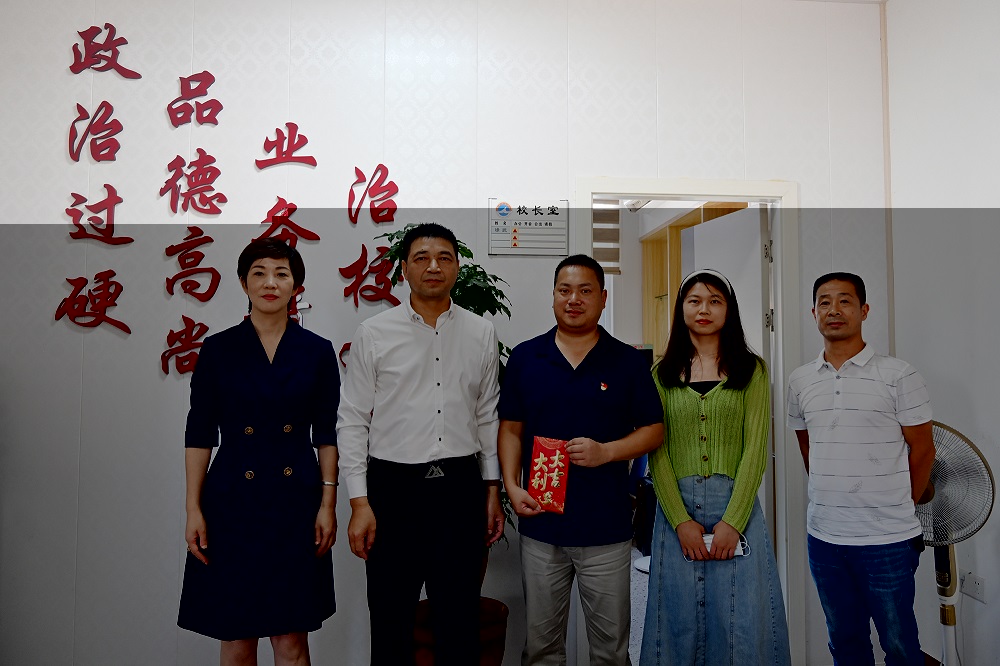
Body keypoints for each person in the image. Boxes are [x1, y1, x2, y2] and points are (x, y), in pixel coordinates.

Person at [337, 223, 505, 666]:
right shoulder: (374, 333)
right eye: (422, 258)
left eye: (444, 257)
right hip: (393, 491)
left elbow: (487, 415)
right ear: (404, 270)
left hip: (460, 489)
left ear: (457, 267)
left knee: (459, 622)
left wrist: (492, 488)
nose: (434, 266)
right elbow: (352, 420)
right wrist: (359, 502)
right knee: (390, 621)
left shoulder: (480, 332)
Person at [177, 238, 339, 665]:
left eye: (282, 274)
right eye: (259, 273)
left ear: (296, 285)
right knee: (236, 639)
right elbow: (199, 434)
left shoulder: (317, 351)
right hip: (232, 501)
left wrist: (328, 504)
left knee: (291, 640)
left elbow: (327, 435)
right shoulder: (218, 349)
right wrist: (193, 508)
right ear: (243, 283)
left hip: (296, 501)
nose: (271, 283)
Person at [498, 254, 663, 665]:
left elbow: (654, 430)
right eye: (565, 290)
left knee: (610, 651)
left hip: (606, 527)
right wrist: (512, 486)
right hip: (541, 525)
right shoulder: (526, 357)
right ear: (553, 296)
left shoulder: (627, 361)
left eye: (585, 291)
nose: (574, 299)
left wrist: (606, 451)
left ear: (603, 298)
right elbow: (511, 429)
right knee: (541, 648)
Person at [639, 269, 791, 666]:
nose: (703, 309)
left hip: (736, 508)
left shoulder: (752, 370)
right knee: (676, 618)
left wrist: (733, 521)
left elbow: (756, 450)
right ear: (681, 309)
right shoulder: (660, 374)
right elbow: (657, 453)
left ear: (729, 309)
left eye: (714, 301)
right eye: (694, 301)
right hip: (675, 510)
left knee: (741, 619)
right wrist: (680, 521)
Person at [787, 272, 934, 666]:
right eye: (824, 302)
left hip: (887, 540)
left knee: (900, 646)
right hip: (824, 538)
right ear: (813, 313)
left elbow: (923, 450)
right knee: (845, 642)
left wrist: (900, 503)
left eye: (845, 301)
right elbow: (808, 448)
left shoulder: (898, 374)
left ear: (864, 310)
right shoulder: (800, 380)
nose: (834, 309)